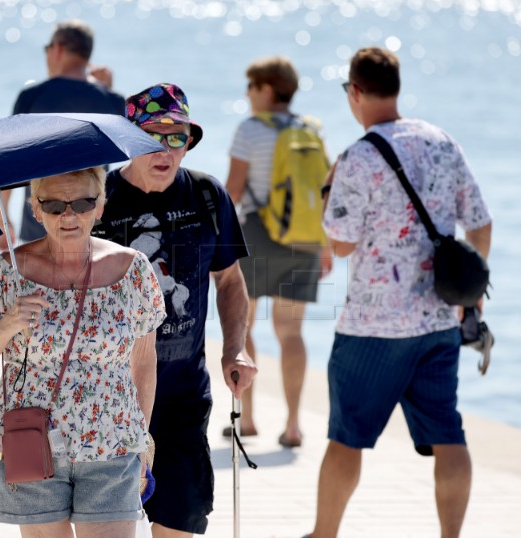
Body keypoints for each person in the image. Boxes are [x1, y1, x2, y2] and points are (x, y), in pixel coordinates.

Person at [305, 47, 492, 538]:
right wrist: (469, 296)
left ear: (355, 92)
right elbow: (481, 222)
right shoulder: (441, 141)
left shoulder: (357, 157)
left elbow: (341, 246)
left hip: (372, 327)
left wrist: (329, 191)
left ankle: (323, 535)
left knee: (347, 439)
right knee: (448, 436)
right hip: (437, 322)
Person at [0, 166, 166, 538]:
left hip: (113, 442)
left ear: (101, 205)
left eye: (83, 202)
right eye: (53, 205)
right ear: (35, 210)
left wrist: (143, 439)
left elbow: (145, 362)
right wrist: (7, 323)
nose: (69, 215)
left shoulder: (132, 269)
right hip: (30, 442)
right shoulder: (6, 271)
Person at [92, 83, 257, 537]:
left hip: (184, 397)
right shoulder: (97, 200)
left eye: (176, 136)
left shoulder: (207, 195)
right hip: (109, 400)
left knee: (180, 524)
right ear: (128, 139)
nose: (165, 150)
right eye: (152, 136)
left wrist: (235, 350)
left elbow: (229, 280)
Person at [223, 56, 332, 448]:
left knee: (244, 326)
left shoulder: (251, 130)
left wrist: (214, 240)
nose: (248, 95)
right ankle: (293, 425)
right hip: (303, 239)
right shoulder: (311, 131)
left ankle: (248, 419)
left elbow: (232, 192)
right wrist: (323, 243)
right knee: (291, 332)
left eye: (251, 87)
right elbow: (323, 192)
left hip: (258, 237)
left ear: (266, 89)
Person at [0, 19, 125, 250]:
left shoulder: (32, 97)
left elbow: (8, 162)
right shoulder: (113, 101)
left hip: (42, 225)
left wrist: (2, 220)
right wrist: (107, 89)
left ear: (57, 48)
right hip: (93, 228)